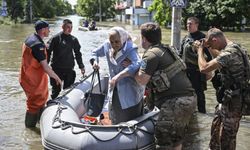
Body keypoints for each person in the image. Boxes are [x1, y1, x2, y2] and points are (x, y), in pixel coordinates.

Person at [135, 22, 197, 150]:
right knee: (177, 138)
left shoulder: (151, 54)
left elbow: (141, 80)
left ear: (144, 38)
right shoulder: (165, 49)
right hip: (189, 99)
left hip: (175, 102)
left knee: (163, 139)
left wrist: (131, 70)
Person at [192, 28, 249, 150]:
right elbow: (219, 58)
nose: (211, 47)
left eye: (212, 44)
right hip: (228, 98)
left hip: (234, 101)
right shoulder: (235, 48)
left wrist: (200, 50)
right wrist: (208, 46)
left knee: (227, 138)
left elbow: (204, 68)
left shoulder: (229, 54)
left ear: (215, 39)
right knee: (216, 128)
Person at [91, 26, 144, 124]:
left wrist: (118, 76)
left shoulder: (130, 48)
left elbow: (138, 63)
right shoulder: (107, 45)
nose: (114, 45)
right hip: (113, 87)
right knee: (114, 113)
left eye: (117, 42)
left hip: (128, 89)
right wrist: (95, 62)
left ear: (123, 39)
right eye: (112, 42)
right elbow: (95, 52)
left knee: (129, 116)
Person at [19, 20, 62, 128]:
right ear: (43, 30)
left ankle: (39, 123)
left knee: (40, 100)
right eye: (48, 28)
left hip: (27, 77)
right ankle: (30, 130)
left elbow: (34, 53)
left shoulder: (31, 39)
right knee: (34, 104)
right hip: (33, 80)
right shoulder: (38, 45)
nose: (49, 30)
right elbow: (46, 67)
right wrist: (57, 78)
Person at [180, 17, 212, 113]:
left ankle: (202, 114)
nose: (188, 25)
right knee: (186, 94)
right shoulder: (185, 38)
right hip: (186, 71)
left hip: (198, 72)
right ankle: (190, 113)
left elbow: (209, 57)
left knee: (199, 94)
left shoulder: (203, 38)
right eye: (187, 24)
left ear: (197, 24)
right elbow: (180, 54)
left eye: (190, 23)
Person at [47, 19, 85, 99]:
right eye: (68, 27)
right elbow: (48, 52)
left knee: (68, 92)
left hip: (69, 70)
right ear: (62, 27)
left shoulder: (74, 40)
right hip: (56, 70)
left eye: (71, 27)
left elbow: (78, 54)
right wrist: (46, 67)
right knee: (55, 92)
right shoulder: (55, 38)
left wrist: (81, 66)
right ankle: (53, 107)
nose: (70, 29)